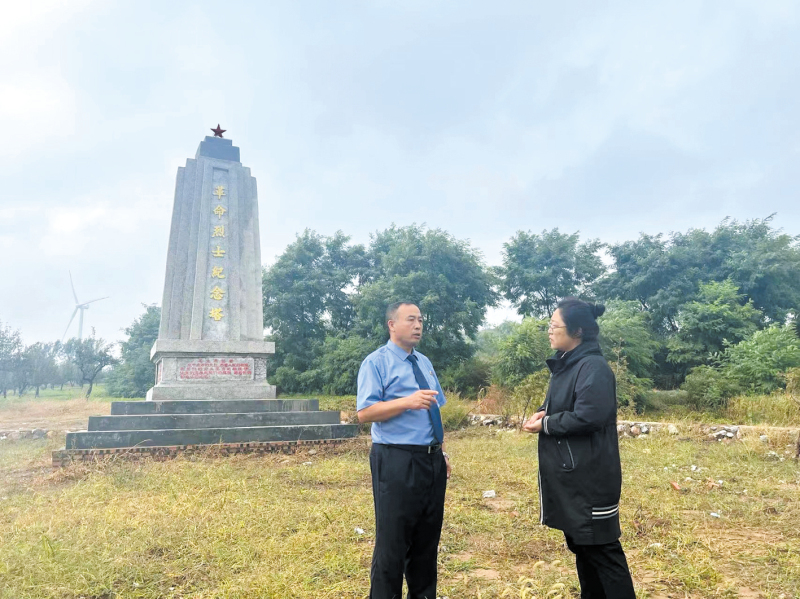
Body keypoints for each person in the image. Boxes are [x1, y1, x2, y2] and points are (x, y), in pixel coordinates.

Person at [522, 297, 636, 598]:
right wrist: (543, 413)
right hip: (574, 476)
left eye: (554, 326)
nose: (549, 331)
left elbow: (590, 415)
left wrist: (547, 424)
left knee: (602, 551)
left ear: (578, 331)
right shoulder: (567, 364)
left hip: (591, 478)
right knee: (583, 548)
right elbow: (565, 406)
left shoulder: (593, 367)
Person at [357, 301, 451, 599]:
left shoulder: (423, 362)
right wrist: (406, 402)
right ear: (392, 324)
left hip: (430, 460)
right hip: (396, 458)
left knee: (426, 541)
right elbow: (365, 412)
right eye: (410, 319)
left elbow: (433, 410)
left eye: (420, 319)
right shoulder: (376, 362)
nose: (418, 325)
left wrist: (441, 451)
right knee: (393, 542)